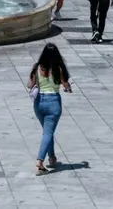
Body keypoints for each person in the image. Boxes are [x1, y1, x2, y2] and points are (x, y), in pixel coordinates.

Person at [26, 43, 72, 175]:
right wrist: (68, 88)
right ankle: (40, 162)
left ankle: (52, 158)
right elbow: (66, 85)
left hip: (39, 103)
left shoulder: (37, 68)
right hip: (53, 103)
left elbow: (29, 85)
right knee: (48, 132)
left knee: (48, 131)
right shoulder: (58, 69)